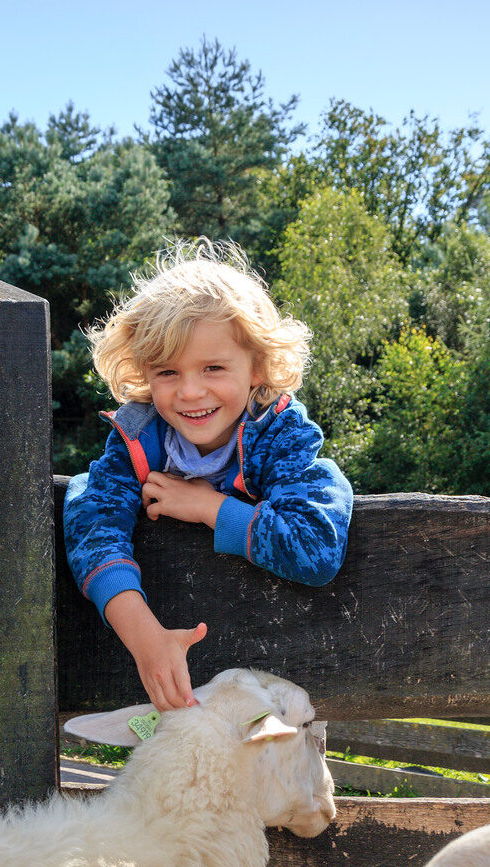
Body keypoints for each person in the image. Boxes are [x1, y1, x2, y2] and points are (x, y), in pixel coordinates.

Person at [63, 238, 353, 713]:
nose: (191, 392)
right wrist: (146, 640)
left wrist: (209, 508)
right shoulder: (137, 438)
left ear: (257, 367)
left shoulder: (280, 436)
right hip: (180, 680)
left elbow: (316, 545)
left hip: (278, 676)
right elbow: (92, 523)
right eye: (167, 372)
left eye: (213, 367)